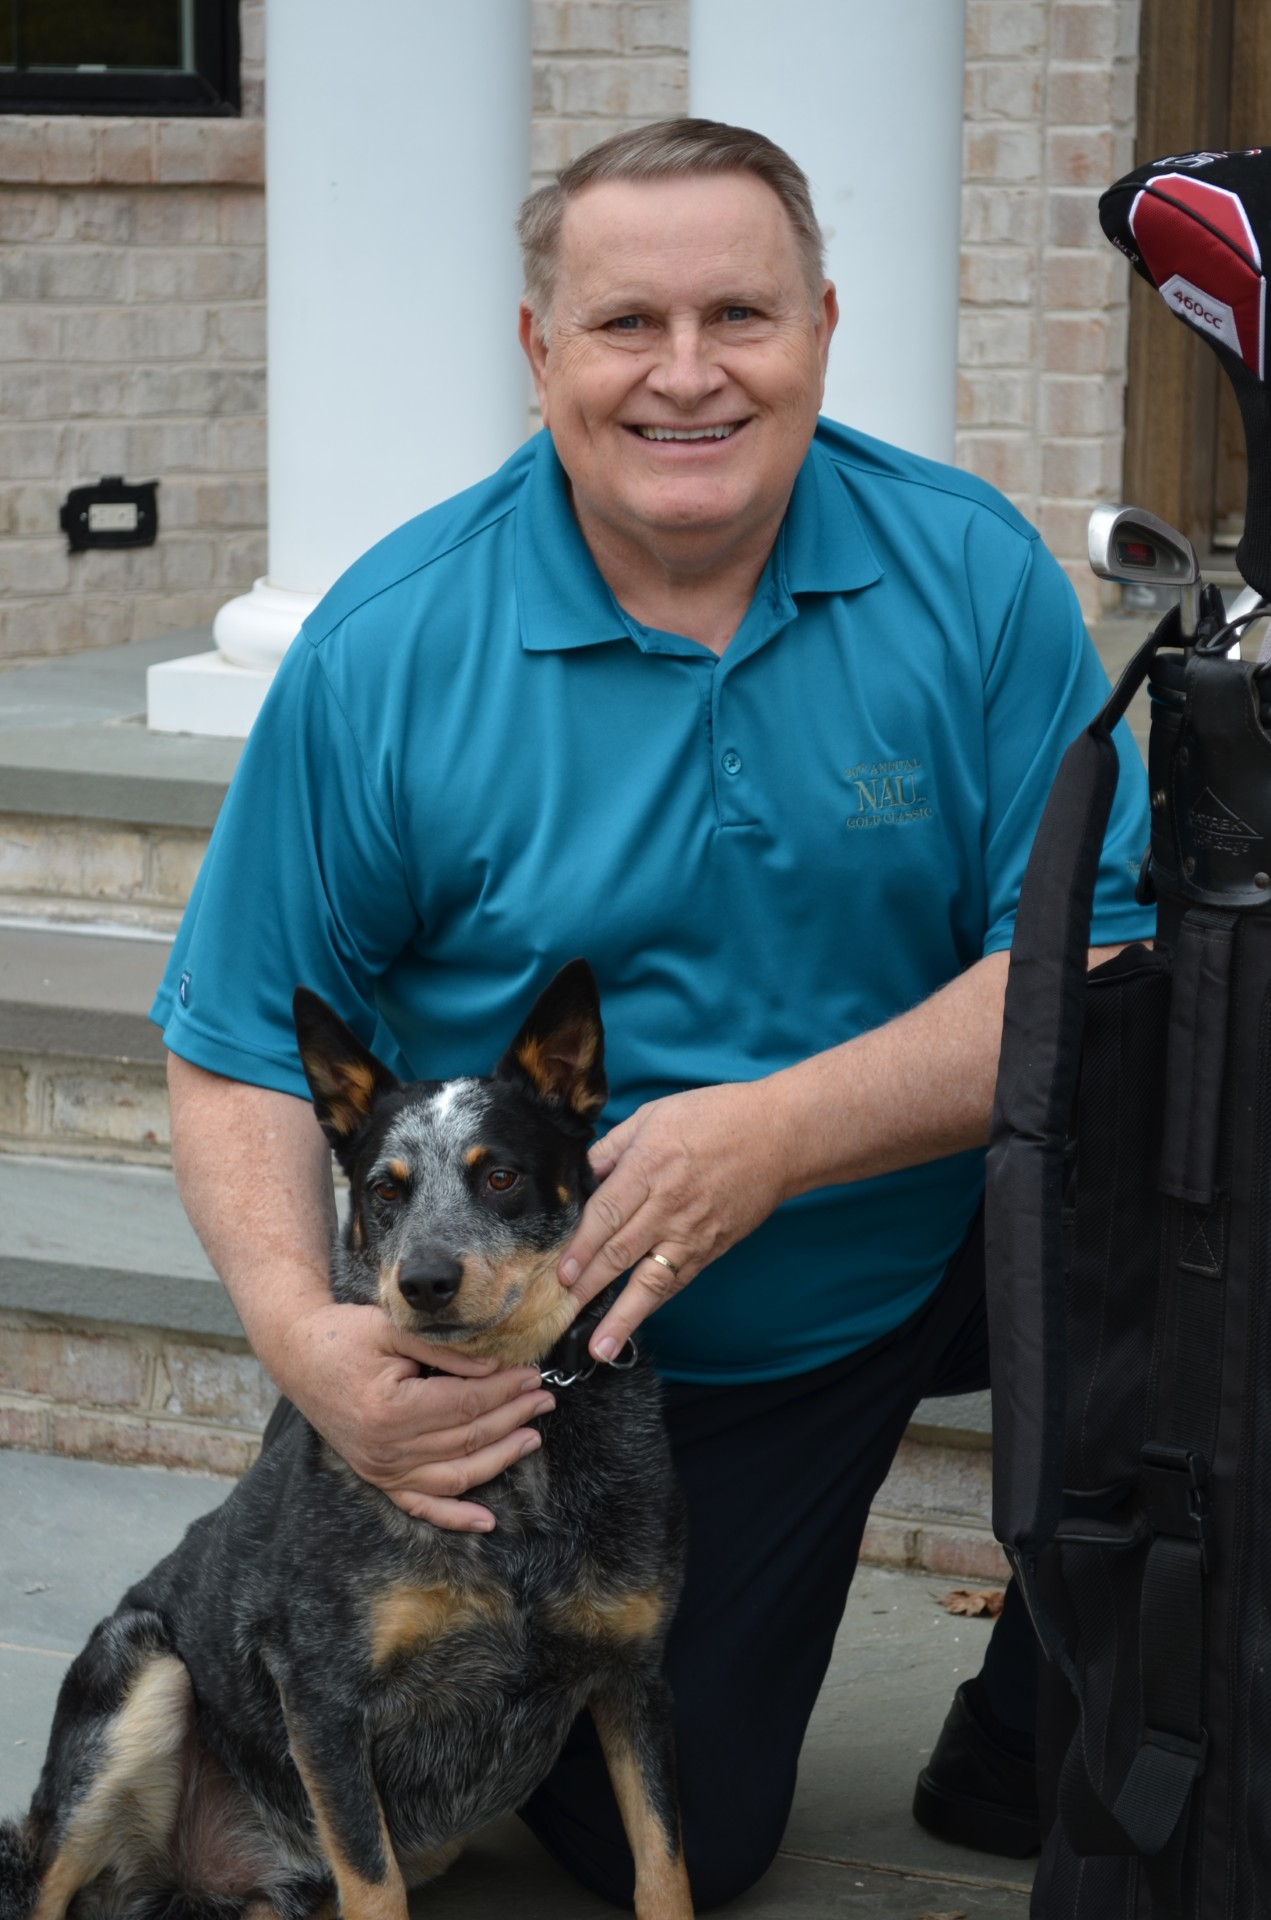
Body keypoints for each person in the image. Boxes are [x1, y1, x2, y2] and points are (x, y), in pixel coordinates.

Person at [153, 119, 1154, 1908]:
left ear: (823, 328)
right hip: (584, 1364)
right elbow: (235, 1037)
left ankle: (1052, 1717)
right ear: (539, 351)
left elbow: (1086, 960)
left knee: (1217, 1146)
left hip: (921, 1256)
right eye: (625, 324)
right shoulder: (392, 643)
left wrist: (774, 1134)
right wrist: (309, 1342)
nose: (685, 374)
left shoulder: (972, 577)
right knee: (649, 1844)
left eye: (737, 316)